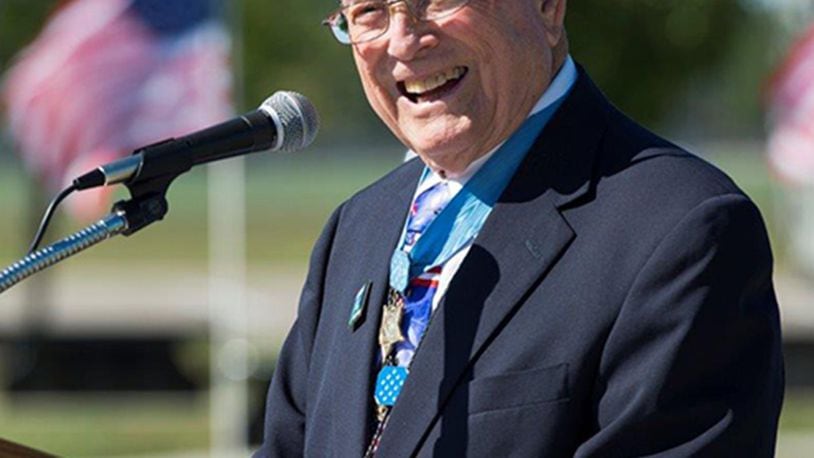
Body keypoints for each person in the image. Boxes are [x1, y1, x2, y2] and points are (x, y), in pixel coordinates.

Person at [255, 0, 784, 456]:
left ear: (549, 7)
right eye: (370, 11)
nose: (403, 40)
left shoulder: (682, 228)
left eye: (436, 1)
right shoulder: (356, 228)